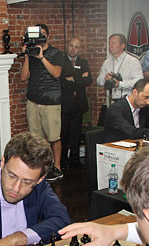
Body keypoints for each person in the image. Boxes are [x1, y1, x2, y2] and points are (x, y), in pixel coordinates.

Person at [20, 24, 64, 182]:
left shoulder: (56, 53)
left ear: (47, 36)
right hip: (33, 100)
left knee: (53, 137)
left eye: (43, 34)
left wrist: (42, 57)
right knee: (36, 139)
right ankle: (39, 166)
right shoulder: (31, 54)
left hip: (51, 102)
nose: (40, 37)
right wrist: (27, 56)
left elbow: (57, 73)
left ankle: (57, 167)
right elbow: (24, 77)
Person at [60, 37, 93, 169]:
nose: (73, 49)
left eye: (76, 47)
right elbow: (61, 81)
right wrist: (79, 79)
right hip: (64, 103)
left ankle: (75, 160)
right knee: (63, 134)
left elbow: (88, 80)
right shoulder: (60, 61)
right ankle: (62, 160)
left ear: (80, 49)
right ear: (67, 46)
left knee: (75, 133)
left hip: (78, 104)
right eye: (71, 46)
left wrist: (73, 79)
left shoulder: (83, 62)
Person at [103, 79, 149, 143]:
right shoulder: (115, 109)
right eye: (146, 97)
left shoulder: (144, 107)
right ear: (135, 92)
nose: (148, 102)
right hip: (115, 148)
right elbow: (131, 133)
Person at [97, 34, 143, 104]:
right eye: (109, 43)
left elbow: (139, 81)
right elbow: (98, 82)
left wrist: (120, 84)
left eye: (113, 43)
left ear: (122, 45)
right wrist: (105, 79)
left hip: (128, 101)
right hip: (110, 101)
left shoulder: (132, 61)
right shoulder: (107, 62)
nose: (110, 46)